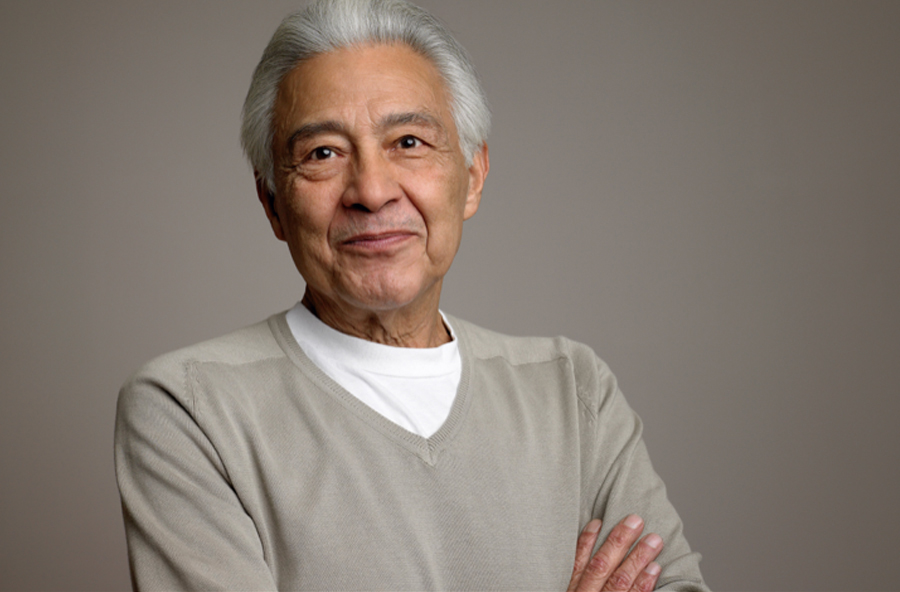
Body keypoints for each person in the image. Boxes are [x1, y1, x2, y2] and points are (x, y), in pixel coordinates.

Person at [114, 0, 708, 590]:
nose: (371, 191)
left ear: (472, 177)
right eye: (323, 154)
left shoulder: (571, 390)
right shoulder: (190, 409)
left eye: (408, 142)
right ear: (273, 202)